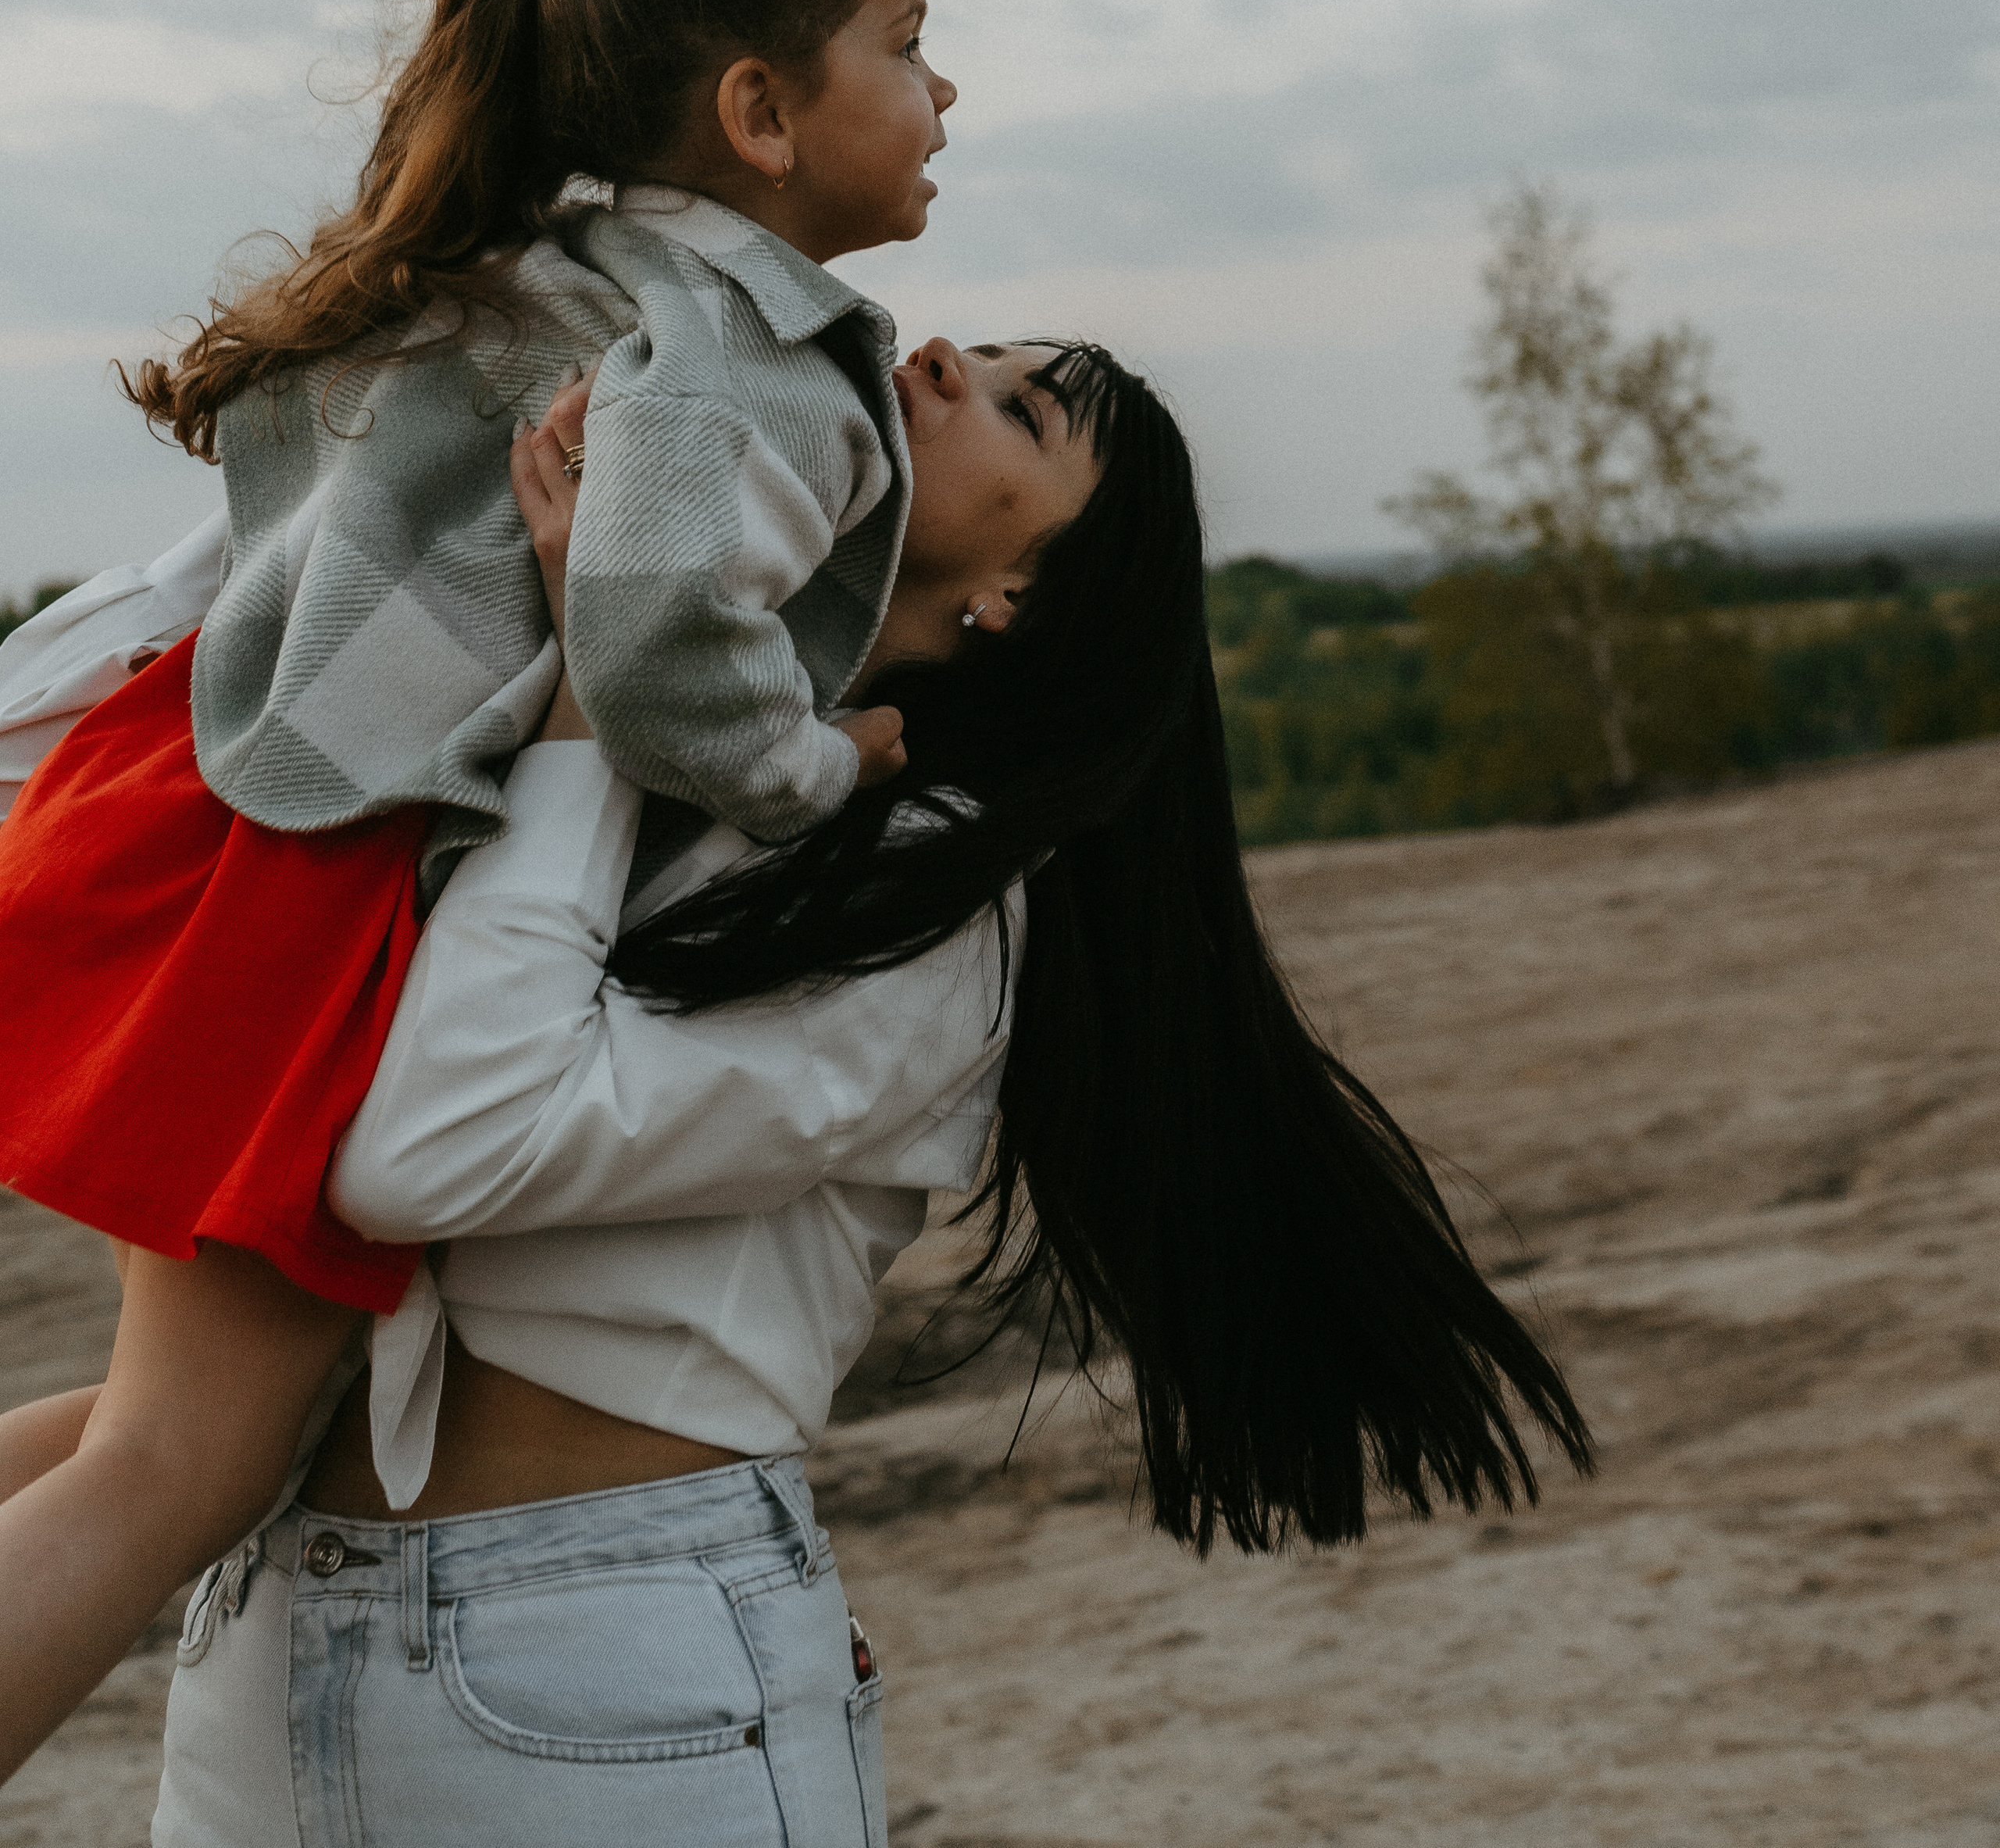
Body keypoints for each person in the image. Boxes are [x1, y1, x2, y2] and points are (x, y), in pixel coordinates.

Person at [117, 330, 1591, 1843]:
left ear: (1013, 596)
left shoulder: (935, 911)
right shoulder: (673, 751)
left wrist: (596, 677)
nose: (942, 355)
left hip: (597, 1662)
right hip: (278, 1622)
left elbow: (429, 1150)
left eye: (1019, 409)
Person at [0, 0, 958, 1782]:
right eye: (906, 42)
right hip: (317, 881)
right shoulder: (735, 355)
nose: (945, 90)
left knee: (150, 1424)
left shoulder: (556, 267)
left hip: (218, 804)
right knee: (176, 1465)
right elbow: (658, 646)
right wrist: (812, 763)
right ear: (762, 112)